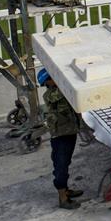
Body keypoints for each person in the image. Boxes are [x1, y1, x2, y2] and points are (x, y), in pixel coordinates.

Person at [38, 68, 83, 210]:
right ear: (48, 82)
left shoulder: (60, 90)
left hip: (69, 132)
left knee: (66, 162)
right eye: (53, 77)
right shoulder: (50, 95)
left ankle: (66, 190)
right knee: (61, 166)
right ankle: (63, 199)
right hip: (60, 136)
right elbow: (66, 91)